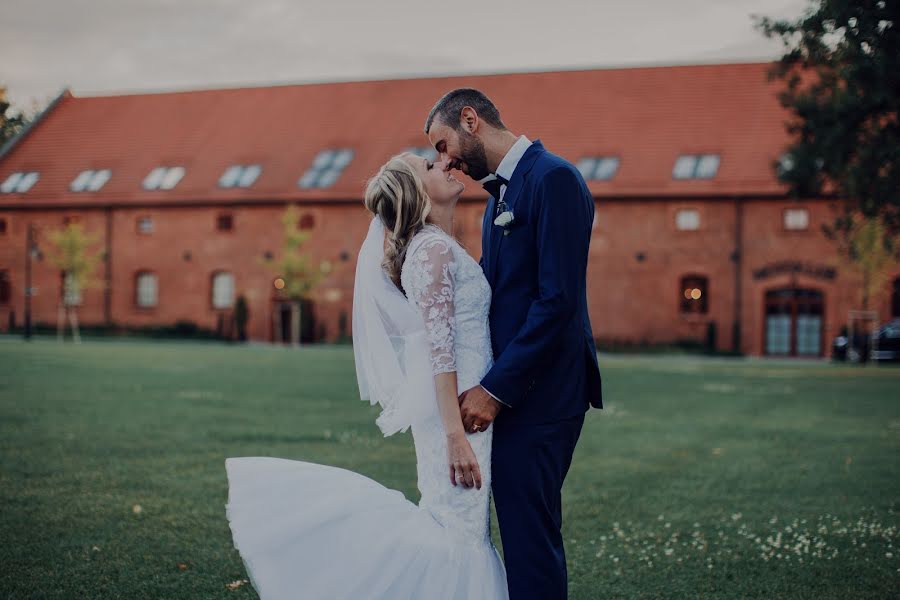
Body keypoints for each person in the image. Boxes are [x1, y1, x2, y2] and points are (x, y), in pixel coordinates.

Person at [225, 152, 509, 599]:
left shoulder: (436, 245)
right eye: (432, 168)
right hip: (458, 416)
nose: (445, 166)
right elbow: (439, 351)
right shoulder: (431, 251)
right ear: (419, 193)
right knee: (459, 533)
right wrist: (455, 434)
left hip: (463, 410)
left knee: (459, 528)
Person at [425, 88, 603, 600]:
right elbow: (490, 296)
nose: (445, 160)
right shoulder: (499, 197)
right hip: (517, 392)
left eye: (443, 144)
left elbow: (558, 301)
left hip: (543, 394)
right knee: (520, 531)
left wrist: (494, 390)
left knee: (530, 538)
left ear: (470, 119)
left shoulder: (554, 180)